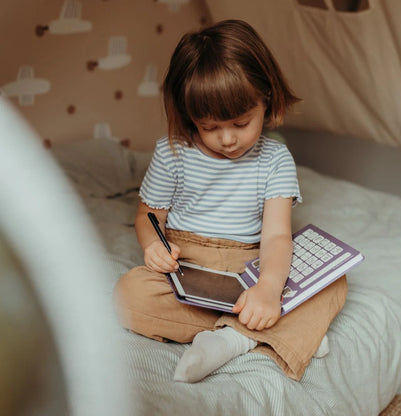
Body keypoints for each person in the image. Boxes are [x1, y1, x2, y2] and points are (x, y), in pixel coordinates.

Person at [113, 19, 347, 383]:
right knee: (127, 295)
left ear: (266, 101)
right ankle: (272, 328)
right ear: (190, 116)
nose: (227, 139)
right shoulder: (172, 152)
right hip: (188, 266)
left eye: (241, 123)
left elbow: (276, 238)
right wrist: (152, 247)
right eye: (209, 127)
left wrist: (268, 289)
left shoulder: (275, 161)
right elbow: (149, 216)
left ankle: (231, 340)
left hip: (251, 264)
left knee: (335, 282)